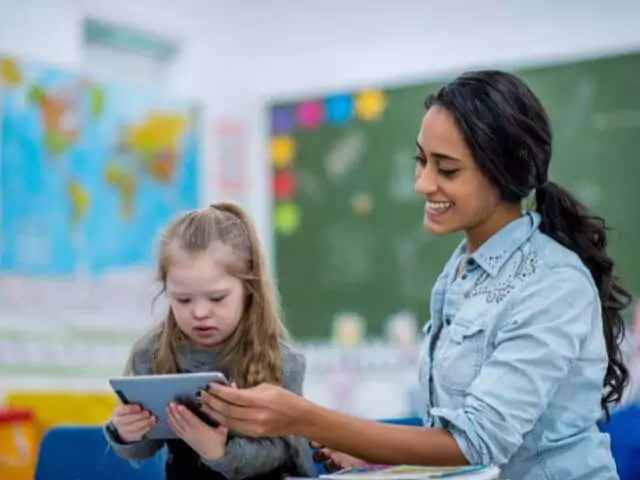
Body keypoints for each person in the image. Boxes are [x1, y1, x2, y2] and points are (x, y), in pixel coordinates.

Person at [200, 71, 631, 480]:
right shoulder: (461, 270)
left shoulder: (551, 283)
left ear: (505, 172)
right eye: (421, 161)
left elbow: (476, 444)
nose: (422, 184)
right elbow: (456, 441)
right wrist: (378, 457)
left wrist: (302, 416)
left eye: (446, 169)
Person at [103, 203, 316, 480]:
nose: (200, 313)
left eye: (217, 298)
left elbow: (279, 449)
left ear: (248, 290)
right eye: (183, 299)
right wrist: (127, 433)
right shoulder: (151, 355)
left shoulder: (282, 360)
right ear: (167, 291)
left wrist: (219, 451)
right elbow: (144, 448)